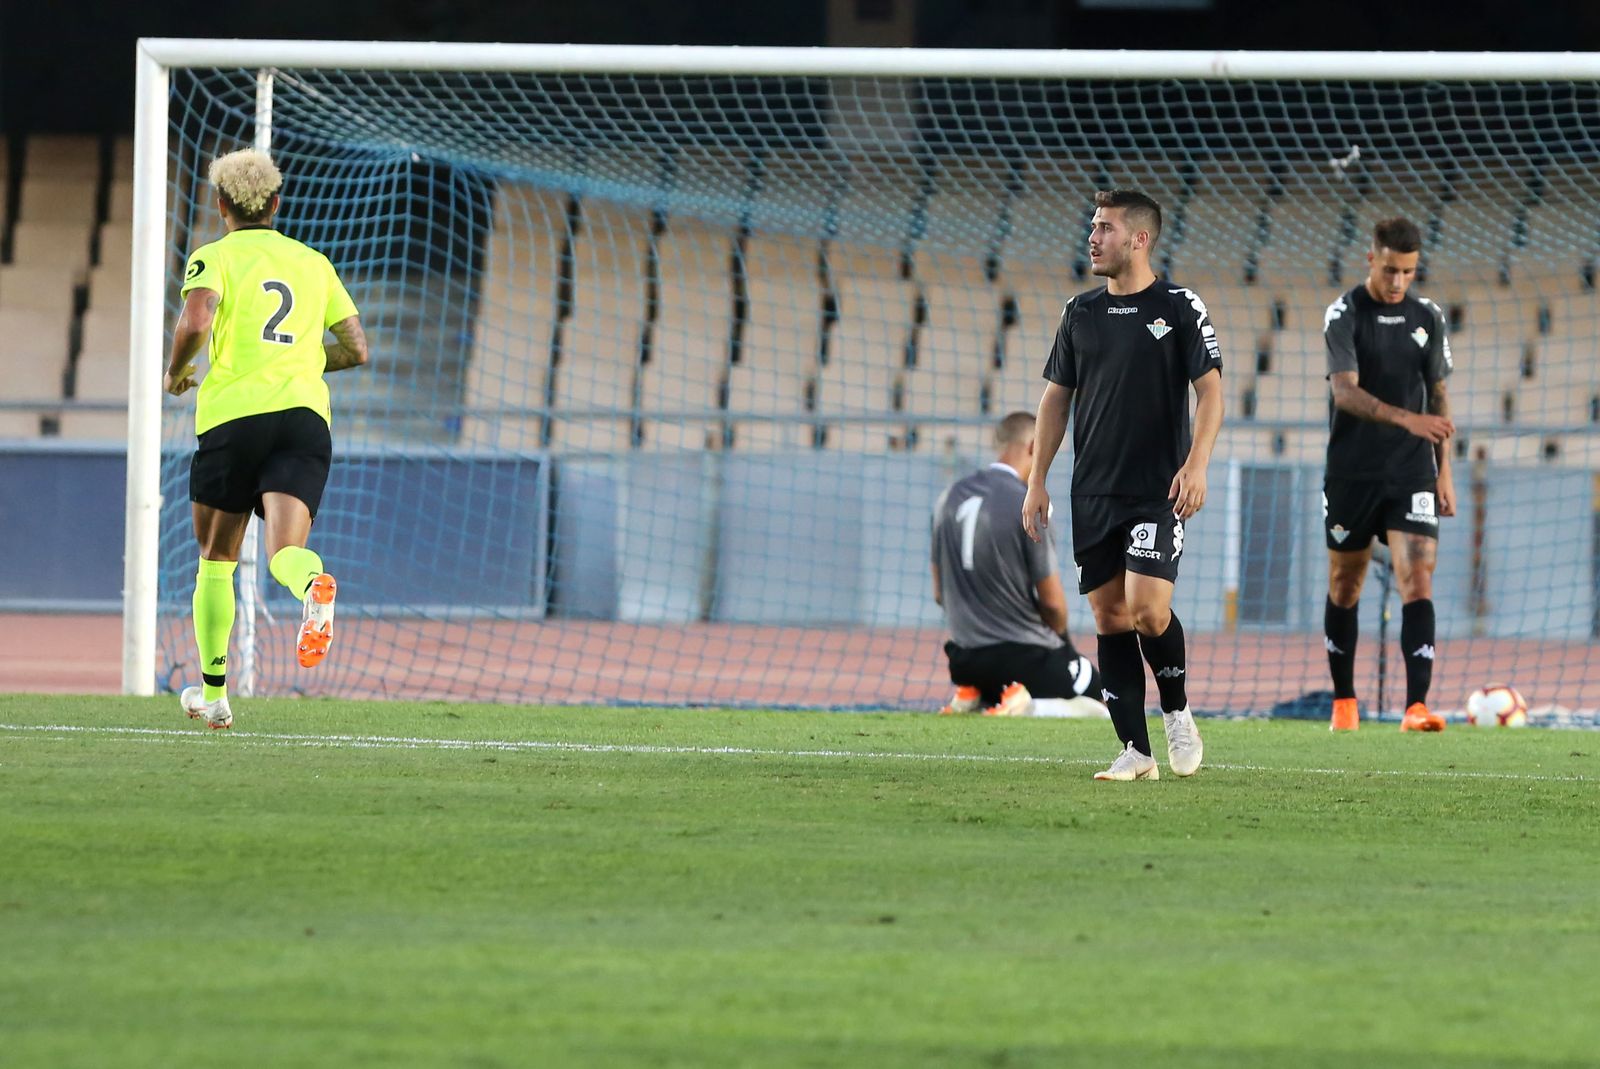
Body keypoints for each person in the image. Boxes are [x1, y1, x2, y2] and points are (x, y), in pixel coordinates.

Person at [1021, 189, 1224, 782]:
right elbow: (1056, 399)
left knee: (1146, 609)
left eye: (1105, 227)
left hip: (1158, 490)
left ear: (1139, 238)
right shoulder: (1078, 312)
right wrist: (1037, 479)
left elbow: (1210, 391)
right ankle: (1136, 753)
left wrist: (1198, 462)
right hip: (1094, 492)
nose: (1092, 237)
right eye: (1092, 226)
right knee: (1110, 620)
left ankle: (1178, 711)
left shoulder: (1181, 306)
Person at [166, 149, 369, 729]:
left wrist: (177, 371)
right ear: (276, 204)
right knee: (284, 552)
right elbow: (357, 348)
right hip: (305, 418)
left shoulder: (213, 257)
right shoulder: (313, 261)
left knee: (217, 560)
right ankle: (313, 584)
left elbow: (198, 320)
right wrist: (304, 362)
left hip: (236, 416)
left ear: (220, 204)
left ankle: (214, 694)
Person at [1321, 217, 1454, 733]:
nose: (1399, 282)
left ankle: (1416, 706)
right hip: (1351, 473)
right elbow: (1345, 393)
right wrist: (1407, 417)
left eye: (1409, 272)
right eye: (1392, 270)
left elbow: (1440, 398)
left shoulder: (1429, 316)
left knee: (1417, 578)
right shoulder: (1345, 313)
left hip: (1411, 471)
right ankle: (1345, 704)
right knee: (1345, 582)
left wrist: (1445, 474)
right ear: (1370, 260)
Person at [932, 412, 1105, 718]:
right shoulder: (1029, 504)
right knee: (1106, 698)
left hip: (963, 660)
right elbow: (1053, 605)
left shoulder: (948, 498)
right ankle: (1027, 705)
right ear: (1034, 445)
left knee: (1005, 679)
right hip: (1023, 658)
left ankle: (978, 696)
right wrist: (1061, 643)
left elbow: (938, 593)